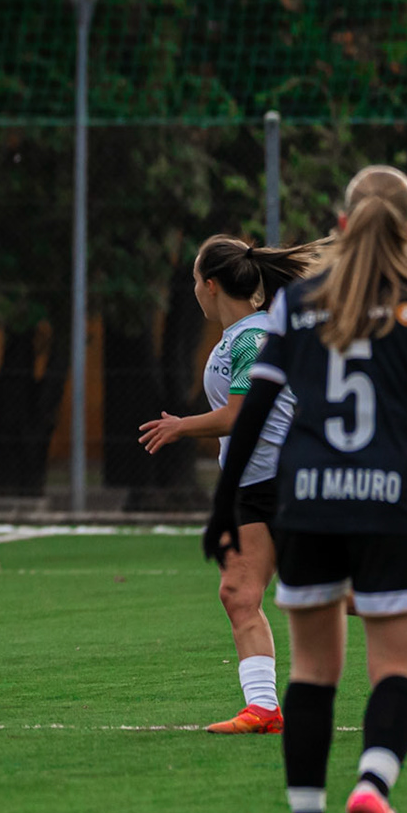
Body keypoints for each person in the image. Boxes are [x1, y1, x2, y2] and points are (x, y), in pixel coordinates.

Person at [204, 165, 407, 813]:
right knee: (394, 668)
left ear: (341, 226)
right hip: (392, 502)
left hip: (307, 502)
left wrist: (222, 500)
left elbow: (257, 411)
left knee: (311, 671)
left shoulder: (299, 304)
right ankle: (371, 784)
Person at [140, 235, 319, 734]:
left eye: (195, 281)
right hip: (251, 484)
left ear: (211, 285)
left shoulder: (253, 338)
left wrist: (180, 426)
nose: (194, 290)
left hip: (285, 482)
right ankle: (262, 707)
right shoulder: (238, 335)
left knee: (317, 595)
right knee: (239, 593)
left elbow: (242, 415)